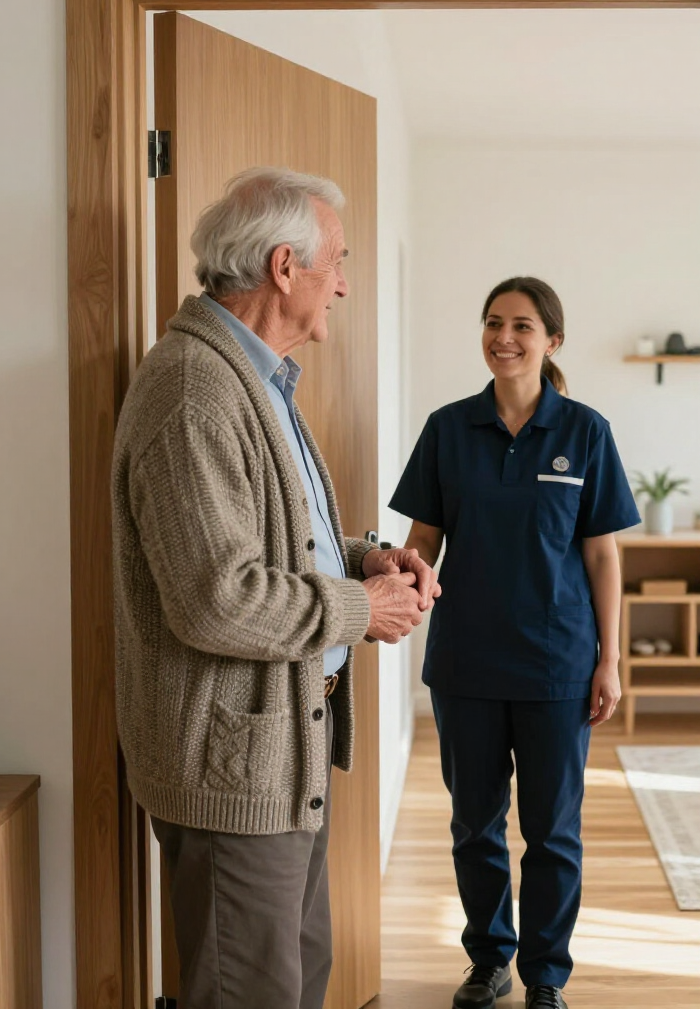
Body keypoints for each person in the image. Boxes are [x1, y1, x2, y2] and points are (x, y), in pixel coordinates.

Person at [112, 166, 439, 1009]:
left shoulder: (254, 378)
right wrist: (365, 609)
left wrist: (362, 556)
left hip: (281, 754)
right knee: (252, 992)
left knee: (296, 977)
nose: (345, 282)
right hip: (232, 770)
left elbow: (277, 536)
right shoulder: (196, 389)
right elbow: (216, 597)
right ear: (285, 266)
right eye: (337, 260)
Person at [389, 277, 641, 1009]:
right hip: (465, 661)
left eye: (523, 326)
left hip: (557, 662)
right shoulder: (448, 428)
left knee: (553, 831)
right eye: (494, 323)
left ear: (551, 341)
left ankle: (546, 977)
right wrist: (395, 603)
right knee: (475, 824)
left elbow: (602, 555)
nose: (506, 337)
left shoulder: (584, 432)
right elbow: (423, 540)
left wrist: (611, 660)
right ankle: (489, 959)